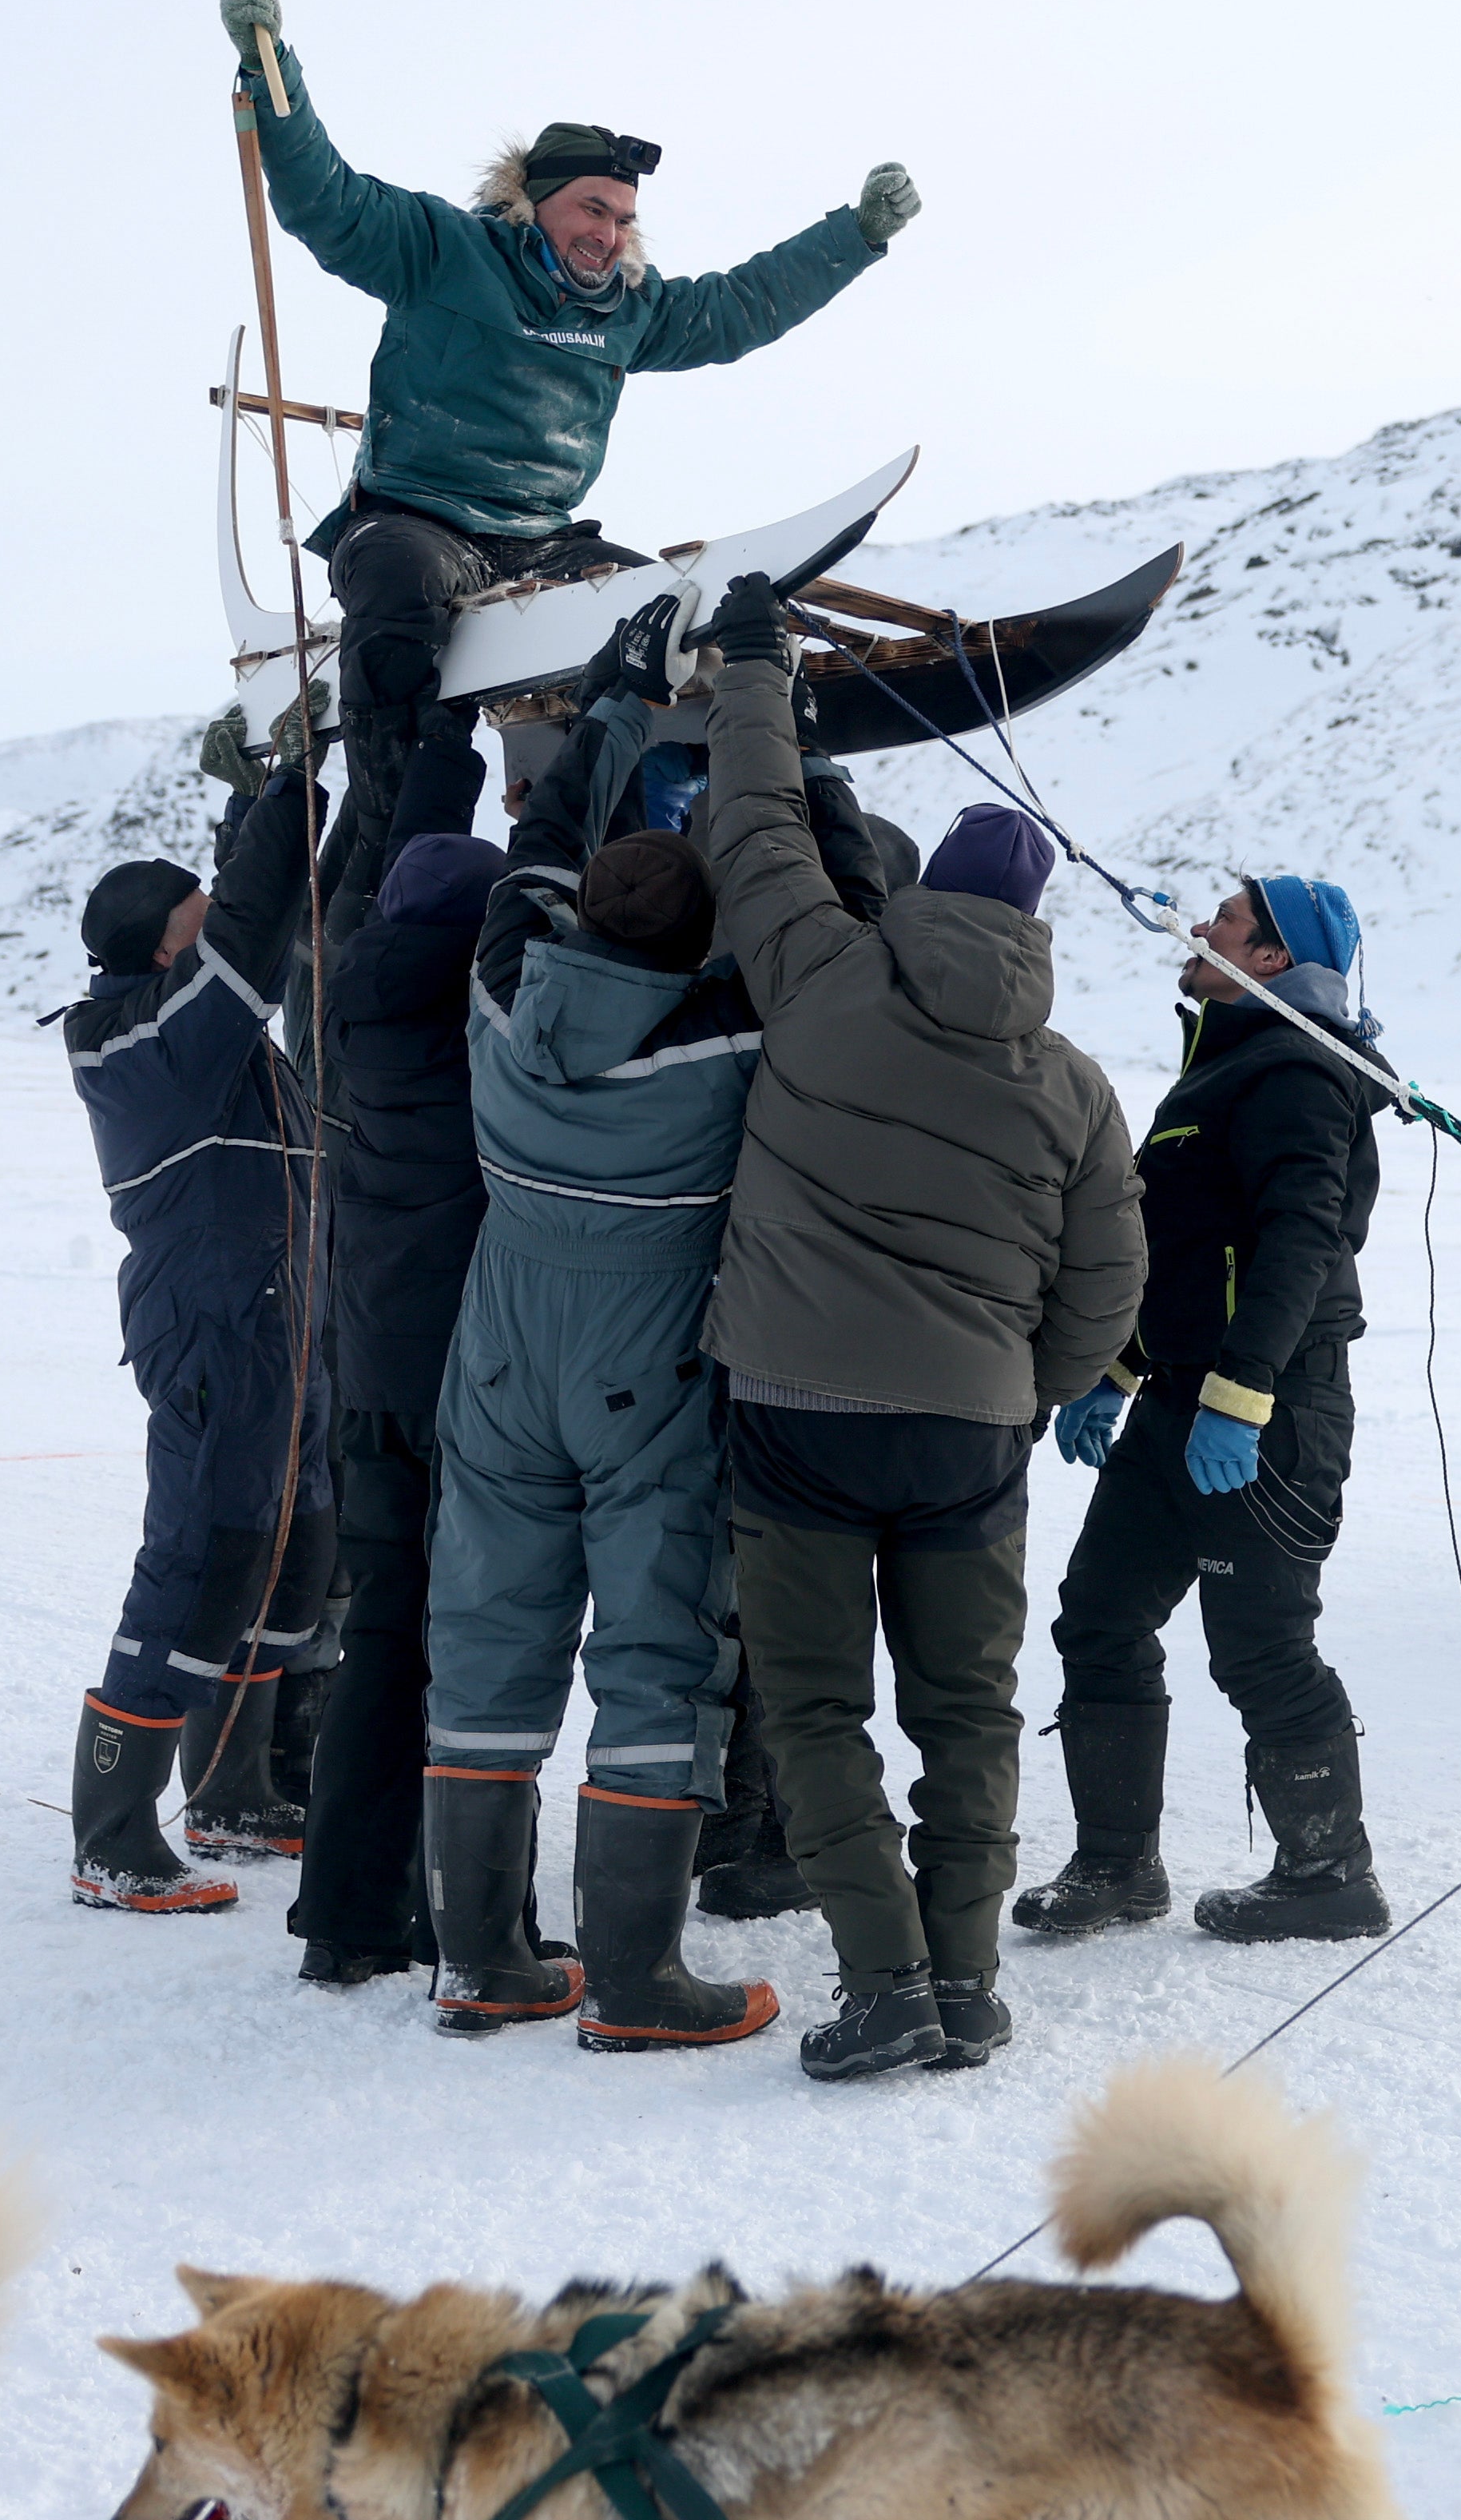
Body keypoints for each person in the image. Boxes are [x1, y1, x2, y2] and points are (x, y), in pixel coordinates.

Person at [696, 576, 1145, 2080]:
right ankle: (962, 1981)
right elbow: (1104, 1290)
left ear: (923, 892)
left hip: (794, 1412)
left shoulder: (822, 972)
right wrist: (1030, 1394)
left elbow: (754, 823)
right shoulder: (1074, 1082)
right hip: (968, 1432)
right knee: (972, 1711)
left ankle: (881, 1976)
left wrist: (753, 666)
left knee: (815, 1705)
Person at [407, 598, 795, 2049]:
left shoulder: (503, 987)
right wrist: (766, 715)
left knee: (487, 1638)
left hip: (499, 1361)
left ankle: (484, 1959)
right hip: (644, 1376)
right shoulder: (724, 1037)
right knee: (653, 1655)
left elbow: (541, 844)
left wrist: (619, 698)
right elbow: (802, 908)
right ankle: (635, 1982)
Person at [213, 0, 913, 742]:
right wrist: (269, 62)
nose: (610, 234)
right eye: (592, 209)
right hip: (414, 521)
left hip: (545, 537)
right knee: (399, 592)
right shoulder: (442, 249)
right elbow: (326, 198)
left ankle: (685, 770)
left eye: (622, 218)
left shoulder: (631, 307)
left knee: (659, 613)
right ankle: (394, 828)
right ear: (536, 202)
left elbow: (738, 308)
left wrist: (853, 236)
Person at [1021, 872, 1399, 1946]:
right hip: (1183, 1400)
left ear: (1272, 959)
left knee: (1261, 1644)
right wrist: (1119, 1369)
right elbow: (1190, 1254)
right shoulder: (1227, 1068)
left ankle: (1329, 1873)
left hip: (1271, 1405)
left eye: (1228, 921)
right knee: (1098, 1613)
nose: (1202, 929)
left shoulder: (1295, 1074)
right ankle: (1117, 1868)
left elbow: (1297, 1246)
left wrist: (1241, 1398)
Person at [56, 725, 334, 1911]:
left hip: (289, 1312)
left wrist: (263, 801)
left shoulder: (193, 1024)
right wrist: (298, 785)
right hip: (214, 1318)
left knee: (300, 1548)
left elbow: (240, 923)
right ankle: (114, 1836)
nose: (212, 909)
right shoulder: (142, 1040)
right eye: (193, 909)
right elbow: (251, 934)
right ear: (157, 945)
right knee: (201, 1556)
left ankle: (236, 1790)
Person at [280, 667, 499, 1988]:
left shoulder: (356, 998)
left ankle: (343, 1910)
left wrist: (449, 738)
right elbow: (534, 897)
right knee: (444, 1647)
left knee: (386, 1648)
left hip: (370, 1382)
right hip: (445, 1404)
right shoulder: (466, 1049)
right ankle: (398, 1912)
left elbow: (416, 870)